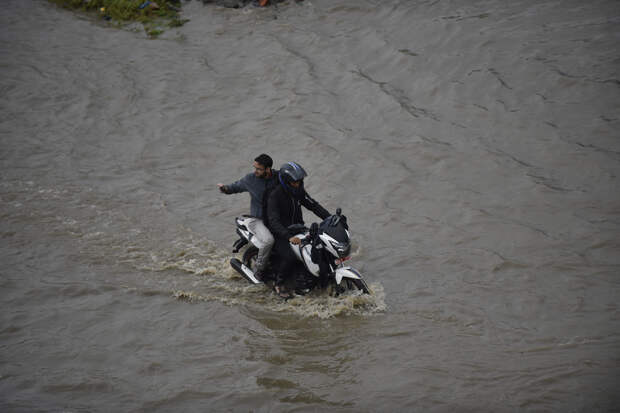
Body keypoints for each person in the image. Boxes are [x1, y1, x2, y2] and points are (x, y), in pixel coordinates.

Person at [266, 161, 331, 297]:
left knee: (319, 248)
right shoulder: (275, 196)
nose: (298, 184)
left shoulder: (299, 191)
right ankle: (279, 283)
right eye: (295, 182)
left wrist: (331, 219)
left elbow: (314, 206)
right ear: (285, 182)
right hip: (280, 232)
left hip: (298, 229)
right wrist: (288, 236)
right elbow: (273, 221)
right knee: (290, 256)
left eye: (300, 182)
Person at [218, 154, 278, 279]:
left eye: (258, 169)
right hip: (256, 220)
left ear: (268, 169)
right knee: (268, 241)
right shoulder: (250, 179)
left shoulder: (278, 177)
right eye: (254, 168)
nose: (255, 171)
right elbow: (235, 187)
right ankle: (258, 270)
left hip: (274, 219)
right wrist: (224, 188)